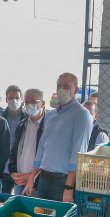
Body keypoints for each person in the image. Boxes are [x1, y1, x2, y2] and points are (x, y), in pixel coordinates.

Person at [23, 73, 93, 203]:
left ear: (76, 90)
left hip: (62, 181)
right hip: (43, 178)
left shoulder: (81, 114)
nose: (62, 89)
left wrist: (68, 187)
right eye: (59, 86)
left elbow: (78, 153)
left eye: (66, 86)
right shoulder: (51, 114)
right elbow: (42, 148)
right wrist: (32, 178)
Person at [8, 89, 47, 196]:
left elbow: (49, 157)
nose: (30, 105)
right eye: (27, 102)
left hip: (39, 183)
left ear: (42, 103)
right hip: (19, 181)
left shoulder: (48, 126)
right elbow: (14, 151)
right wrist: (13, 173)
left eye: (34, 101)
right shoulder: (22, 125)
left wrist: (33, 177)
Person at [0, 85, 28, 193]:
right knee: (1, 202)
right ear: (6, 99)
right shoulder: (0, 118)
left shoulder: (28, 118)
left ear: (21, 99)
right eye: (11, 98)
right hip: (3, 169)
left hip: (20, 170)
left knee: (19, 201)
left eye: (17, 98)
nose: (14, 101)